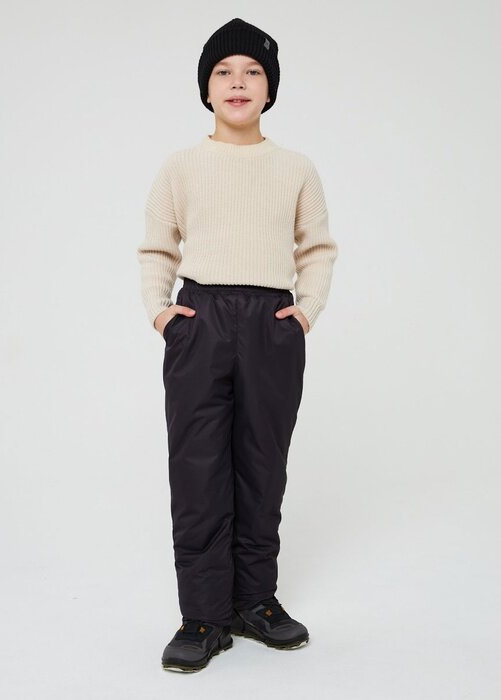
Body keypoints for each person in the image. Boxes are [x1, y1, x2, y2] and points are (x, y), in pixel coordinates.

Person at [136, 17, 338, 673]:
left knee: (261, 463)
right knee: (197, 466)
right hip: (201, 318)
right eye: (223, 71)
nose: (237, 82)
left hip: (270, 323)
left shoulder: (295, 168)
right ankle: (201, 615)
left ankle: (254, 601)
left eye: (252, 71)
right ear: (206, 88)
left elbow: (317, 248)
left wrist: (304, 313)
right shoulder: (181, 165)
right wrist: (163, 314)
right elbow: (156, 247)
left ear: (270, 89)